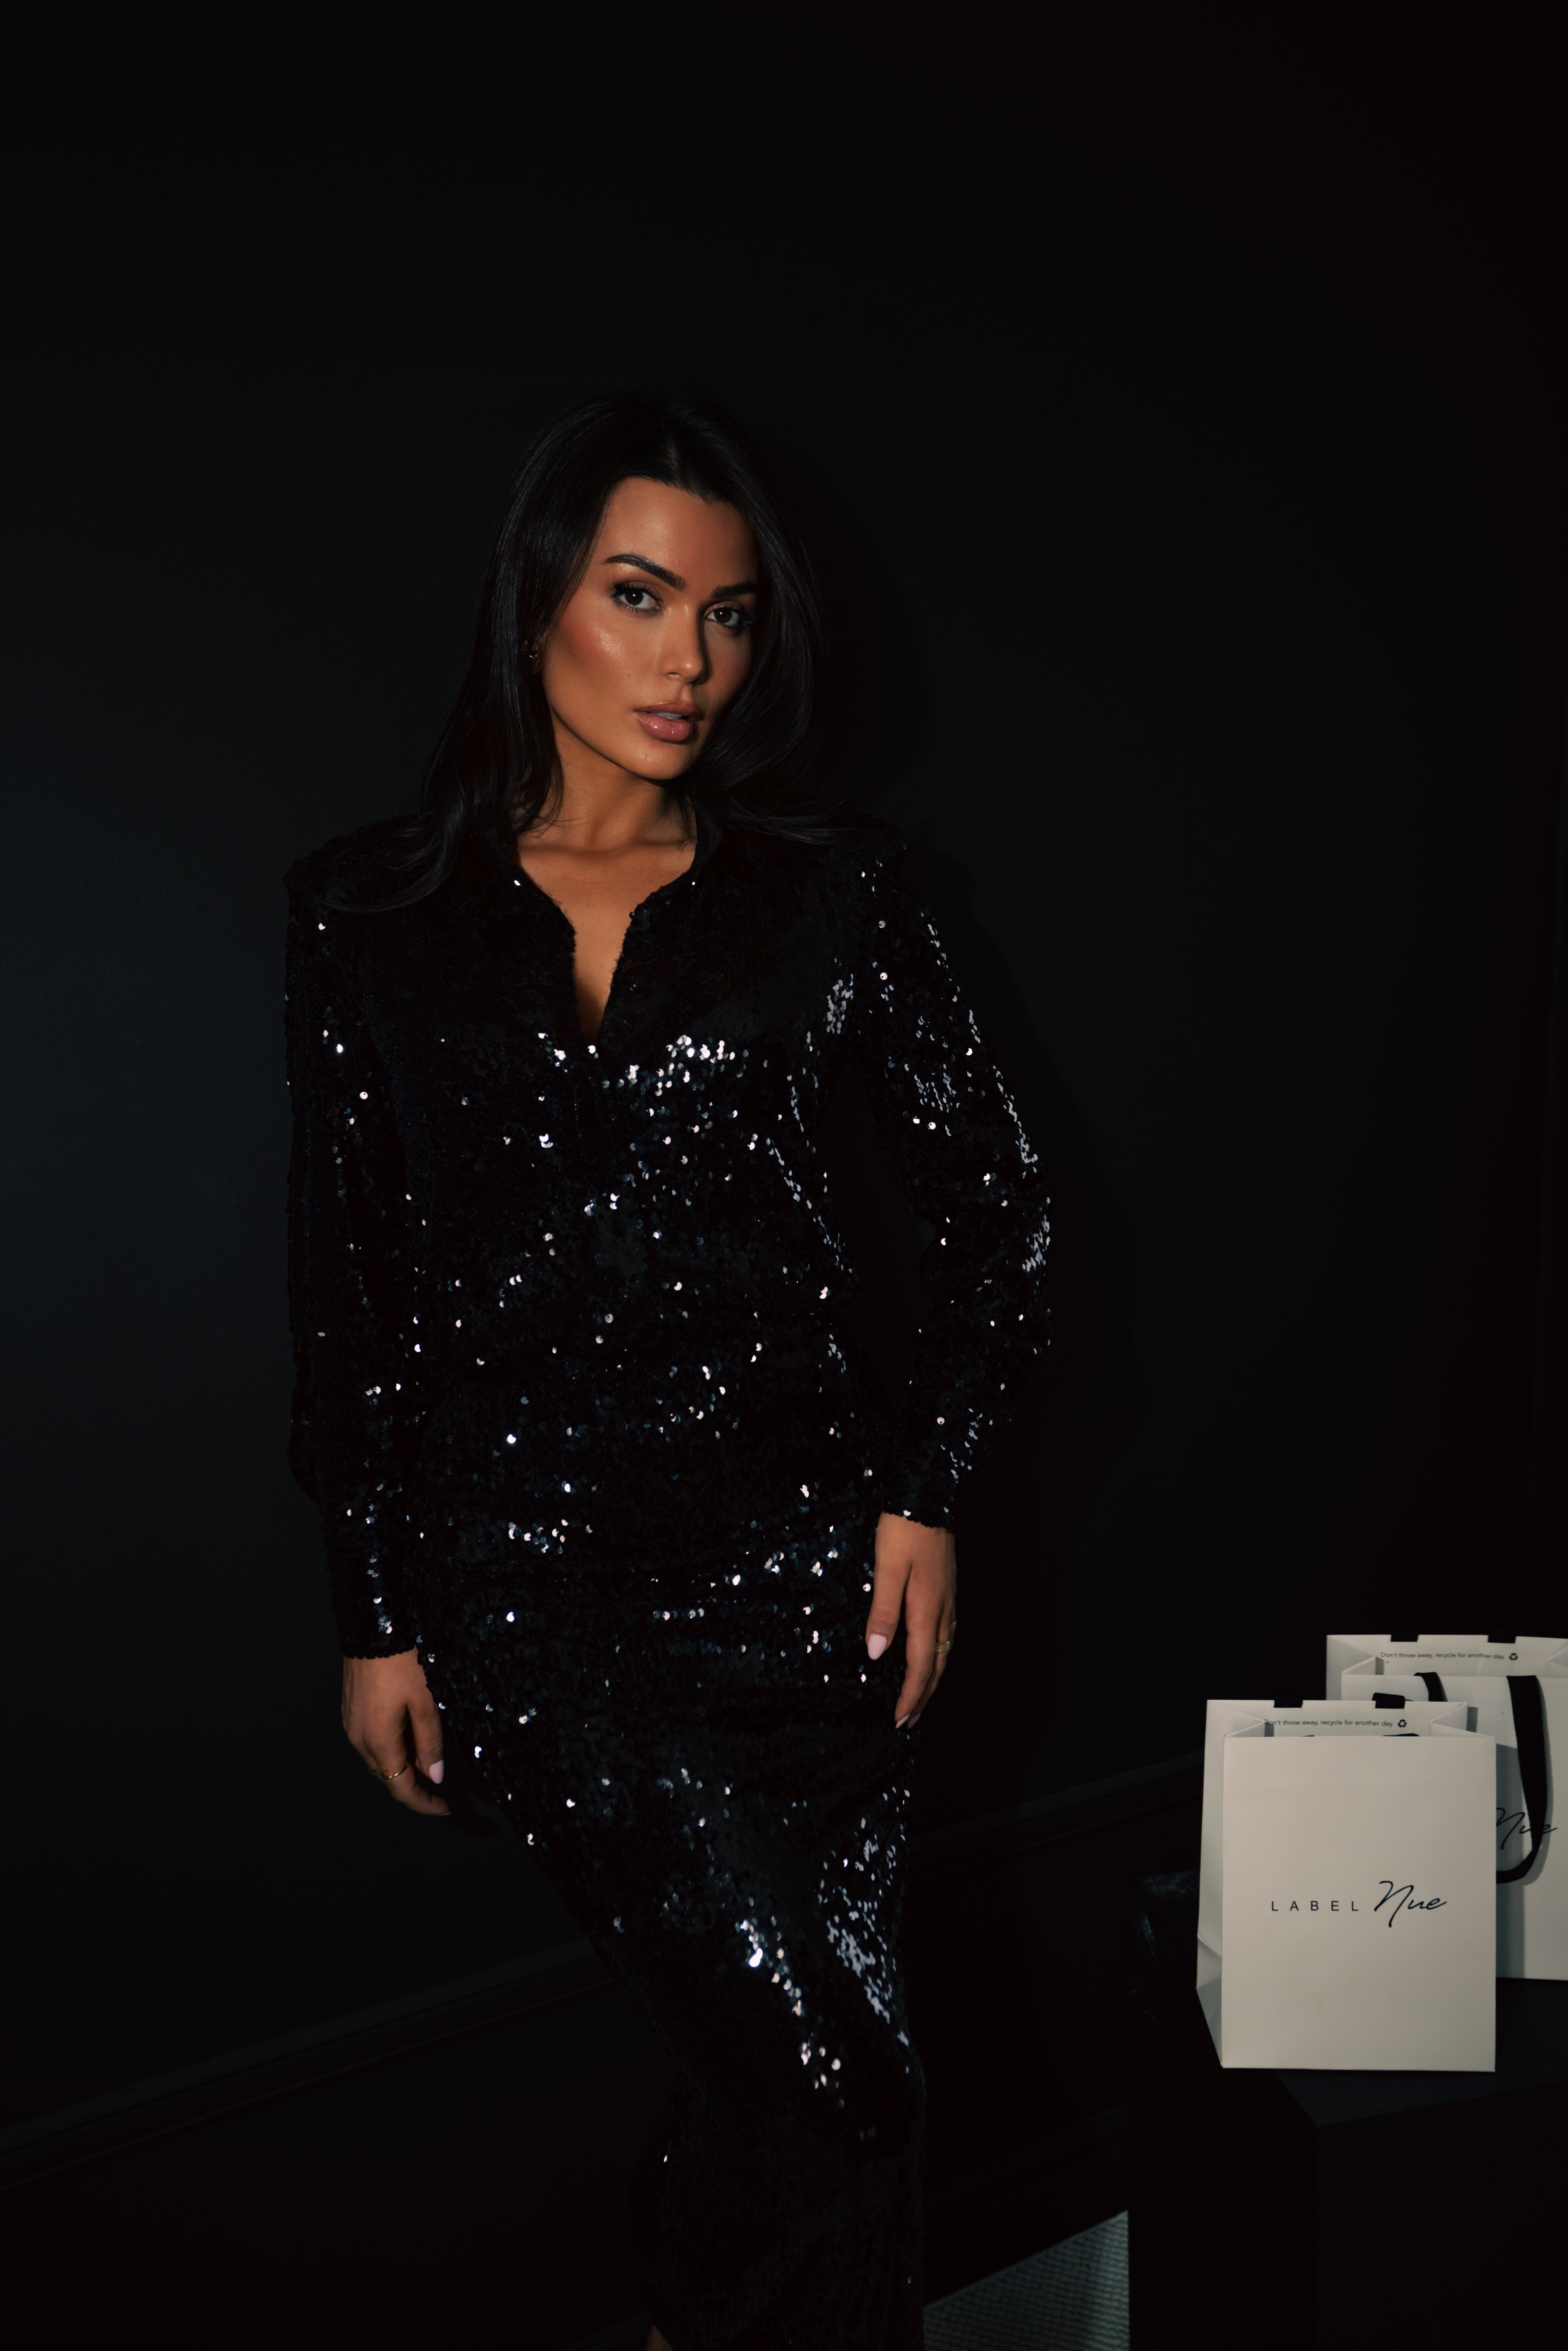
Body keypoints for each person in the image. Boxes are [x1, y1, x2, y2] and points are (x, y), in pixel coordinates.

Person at [285, 393, 1050, 2350]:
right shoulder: (368, 918)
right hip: (533, 1601)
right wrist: (379, 1604)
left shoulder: (838, 900)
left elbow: (1000, 1216)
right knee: (837, 2089)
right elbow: (352, 1285)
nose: (691, 661)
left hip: (815, 1599)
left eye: (725, 615)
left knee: (802, 2112)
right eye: (642, 598)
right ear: (540, 598)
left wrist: (923, 1483)